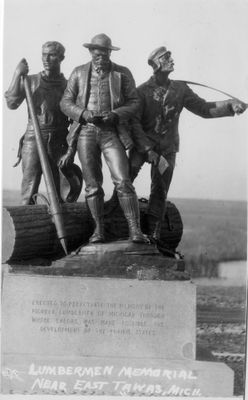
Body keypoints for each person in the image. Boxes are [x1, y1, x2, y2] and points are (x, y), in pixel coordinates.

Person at [127, 46, 247, 242]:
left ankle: (154, 234)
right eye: (167, 58)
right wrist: (146, 149)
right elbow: (134, 124)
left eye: (171, 58)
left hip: (167, 148)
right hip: (143, 146)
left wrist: (230, 105)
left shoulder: (180, 89)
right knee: (126, 179)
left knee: (160, 190)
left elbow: (204, 109)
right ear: (156, 64)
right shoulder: (140, 92)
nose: (172, 61)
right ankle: (112, 216)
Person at [60, 33, 148, 244]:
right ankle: (98, 230)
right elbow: (65, 102)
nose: (102, 57)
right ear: (91, 52)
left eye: (106, 53)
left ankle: (135, 230)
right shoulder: (79, 73)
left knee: (123, 181)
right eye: (98, 53)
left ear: (110, 52)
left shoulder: (122, 73)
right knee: (92, 185)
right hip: (86, 133)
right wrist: (82, 113)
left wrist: (116, 114)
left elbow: (135, 102)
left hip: (111, 132)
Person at [5, 41, 82, 205]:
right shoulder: (30, 81)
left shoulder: (68, 85)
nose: (46, 58)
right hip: (33, 137)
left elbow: (76, 119)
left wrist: (70, 150)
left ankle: (56, 229)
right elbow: (11, 103)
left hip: (59, 140)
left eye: (52, 55)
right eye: (44, 54)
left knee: (59, 192)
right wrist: (17, 74)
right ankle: (27, 226)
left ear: (62, 57)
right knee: (29, 189)